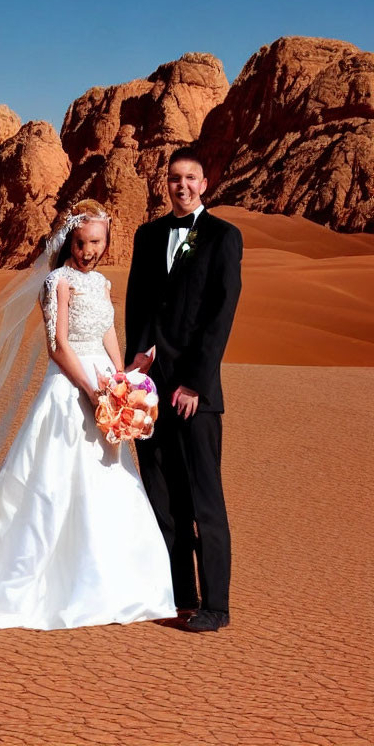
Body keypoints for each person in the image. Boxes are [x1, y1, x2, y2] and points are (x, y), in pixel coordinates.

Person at [0, 199, 176, 629]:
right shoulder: (57, 282)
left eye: (96, 242)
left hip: (102, 385)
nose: (88, 251)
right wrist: (93, 388)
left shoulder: (100, 284)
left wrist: (122, 380)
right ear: (69, 241)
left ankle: (109, 582)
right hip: (69, 388)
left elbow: (107, 332)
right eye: (81, 242)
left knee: (107, 477)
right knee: (53, 480)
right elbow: (57, 346)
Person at [124, 147, 242, 632]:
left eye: (190, 178)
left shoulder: (222, 237)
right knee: (163, 498)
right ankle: (179, 594)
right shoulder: (148, 235)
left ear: (204, 183)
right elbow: (138, 303)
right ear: (165, 183)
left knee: (203, 501)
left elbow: (220, 313)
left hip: (196, 393)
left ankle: (215, 607)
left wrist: (194, 380)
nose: (182, 186)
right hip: (151, 392)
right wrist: (136, 365)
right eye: (174, 178)